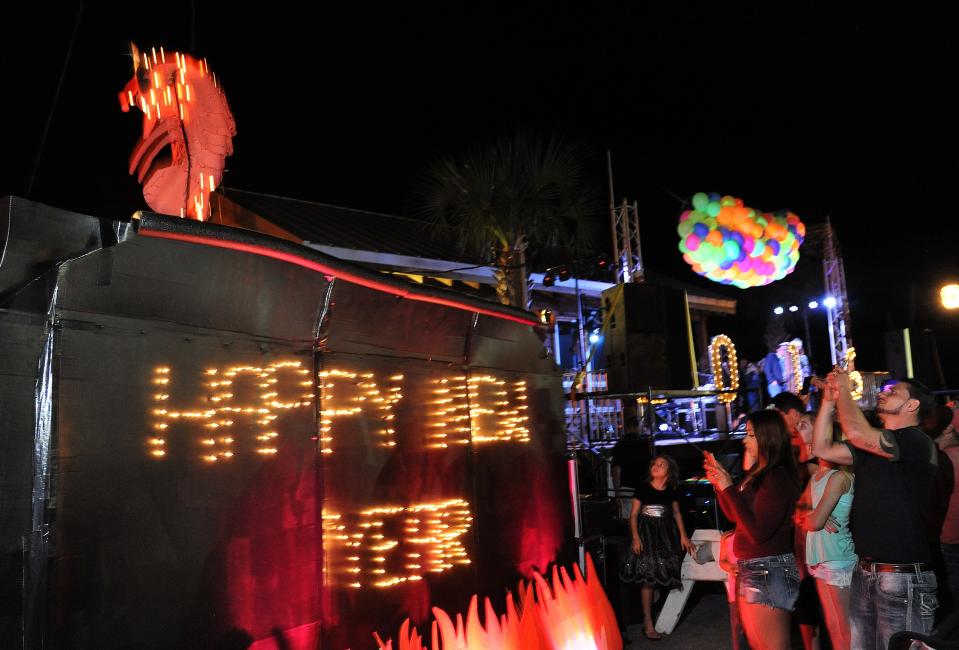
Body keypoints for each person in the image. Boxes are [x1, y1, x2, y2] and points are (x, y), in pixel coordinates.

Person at [812, 369, 938, 650]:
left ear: (912, 405)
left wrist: (844, 389)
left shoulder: (916, 442)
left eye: (893, 392)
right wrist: (829, 401)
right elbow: (821, 448)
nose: (883, 393)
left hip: (903, 576)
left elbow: (857, 432)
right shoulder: (872, 445)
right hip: (866, 571)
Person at [704, 410, 801, 650]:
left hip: (770, 568)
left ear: (767, 437)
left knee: (773, 645)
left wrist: (729, 489)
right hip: (754, 567)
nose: (744, 440)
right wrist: (721, 485)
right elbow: (734, 516)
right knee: (758, 643)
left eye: (750, 434)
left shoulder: (776, 477)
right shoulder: (759, 472)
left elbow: (758, 532)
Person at [799, 410, 857, 650]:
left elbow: (813, 522)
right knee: (833, 629)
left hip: (837, 559)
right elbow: (801, 513)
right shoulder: (817, 476)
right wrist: (808, 515)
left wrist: (811, 517)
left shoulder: (838, 477)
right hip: (821, 558)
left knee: (846, 630)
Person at [626, 455, 695, 640]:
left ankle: (655, 592)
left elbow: (676, 513)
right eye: (654, 464)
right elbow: (633, 515)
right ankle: (648, 622)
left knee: (666, 570)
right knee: (647, 577)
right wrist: (635, 537)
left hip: (665, 534)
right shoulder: (643, 488)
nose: (656, 466)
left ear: (669, 471)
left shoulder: (671, 490)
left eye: (661, 465)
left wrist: (683, 535)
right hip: (646, 534)